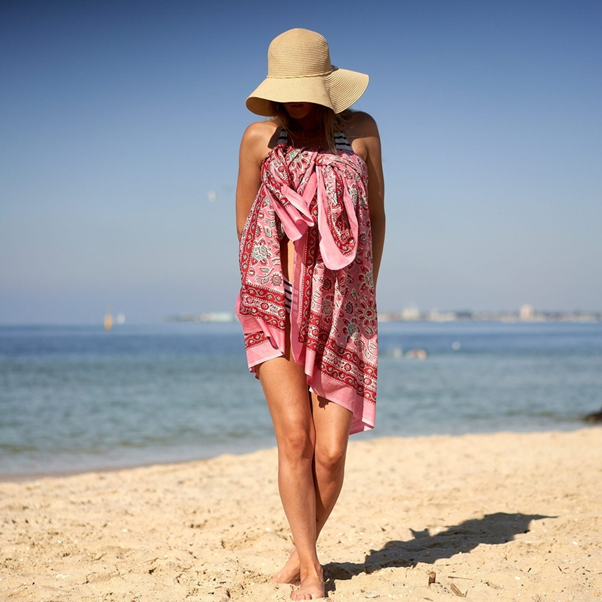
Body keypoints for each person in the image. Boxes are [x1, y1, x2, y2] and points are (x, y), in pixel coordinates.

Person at [235, 28, 385, 601]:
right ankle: (315, 571)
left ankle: (300, 554)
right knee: (295, 440)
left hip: (345, 310)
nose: (295, 102)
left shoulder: (361, 132)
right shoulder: (258, 139)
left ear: (326, 87)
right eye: (287, 90)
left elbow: (377, 216)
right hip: (275, 306)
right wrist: (261, 289)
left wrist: (366, 290)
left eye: (305, 89)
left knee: (331, 451)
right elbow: (246, 224)